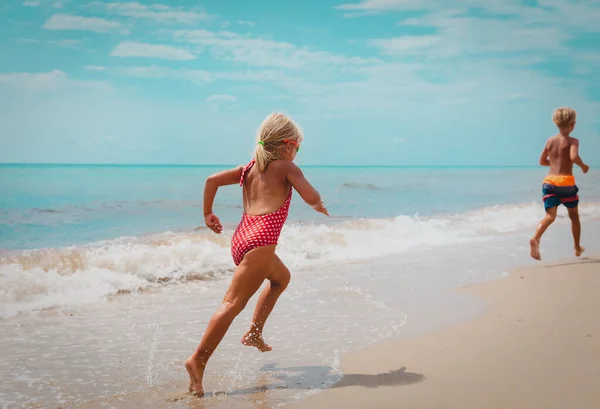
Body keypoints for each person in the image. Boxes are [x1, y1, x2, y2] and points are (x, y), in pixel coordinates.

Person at [185, 112, 329, 396]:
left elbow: (211, 180)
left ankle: (254, 333)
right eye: (297, 147)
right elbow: (310, 197)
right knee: (232, 303)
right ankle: (197, 360)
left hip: (242, 238)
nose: (297, 153)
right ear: (287, 145)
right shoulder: (287, 167)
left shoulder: (247, 169)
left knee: (281, 278)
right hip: (261, 241)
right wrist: (318, 204)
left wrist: (207, 213)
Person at [530, 107, 590, 260]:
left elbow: (542, 161)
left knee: (550, 216)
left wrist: (555, 163)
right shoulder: (573, 141)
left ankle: (536, 238)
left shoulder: (550, 141)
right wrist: (583, 166)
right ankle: (577, 247)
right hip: (566, 184)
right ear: (572, 124)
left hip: (549, 183)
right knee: (574, 216)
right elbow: (573, 157)